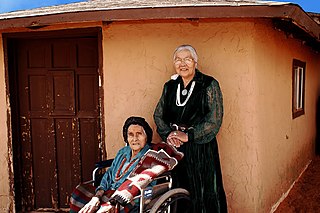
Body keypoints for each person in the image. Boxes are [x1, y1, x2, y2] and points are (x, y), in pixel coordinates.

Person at [153, 44, 228, 213]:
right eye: (178, 60)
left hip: (201, 149)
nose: (183, 63)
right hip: (175, 150)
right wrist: (169, 135)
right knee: (177, 190)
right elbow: (158, 115)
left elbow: (214, 119)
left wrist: (189, 136)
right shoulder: (170, 87)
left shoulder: (208, 84)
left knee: (203, 191)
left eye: (187, 59)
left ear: (195, 62)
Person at [70, 116, 153, 213]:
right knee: (79, 192)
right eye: (131, 134)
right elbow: (109, 174)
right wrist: (97, 196)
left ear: (146, 136)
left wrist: (117, 199)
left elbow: (147, 187)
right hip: (109, 192)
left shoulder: (150, 156)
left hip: (128, 197)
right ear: (126, 138)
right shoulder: (123, 152)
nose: (135, 139)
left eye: (139, 134)